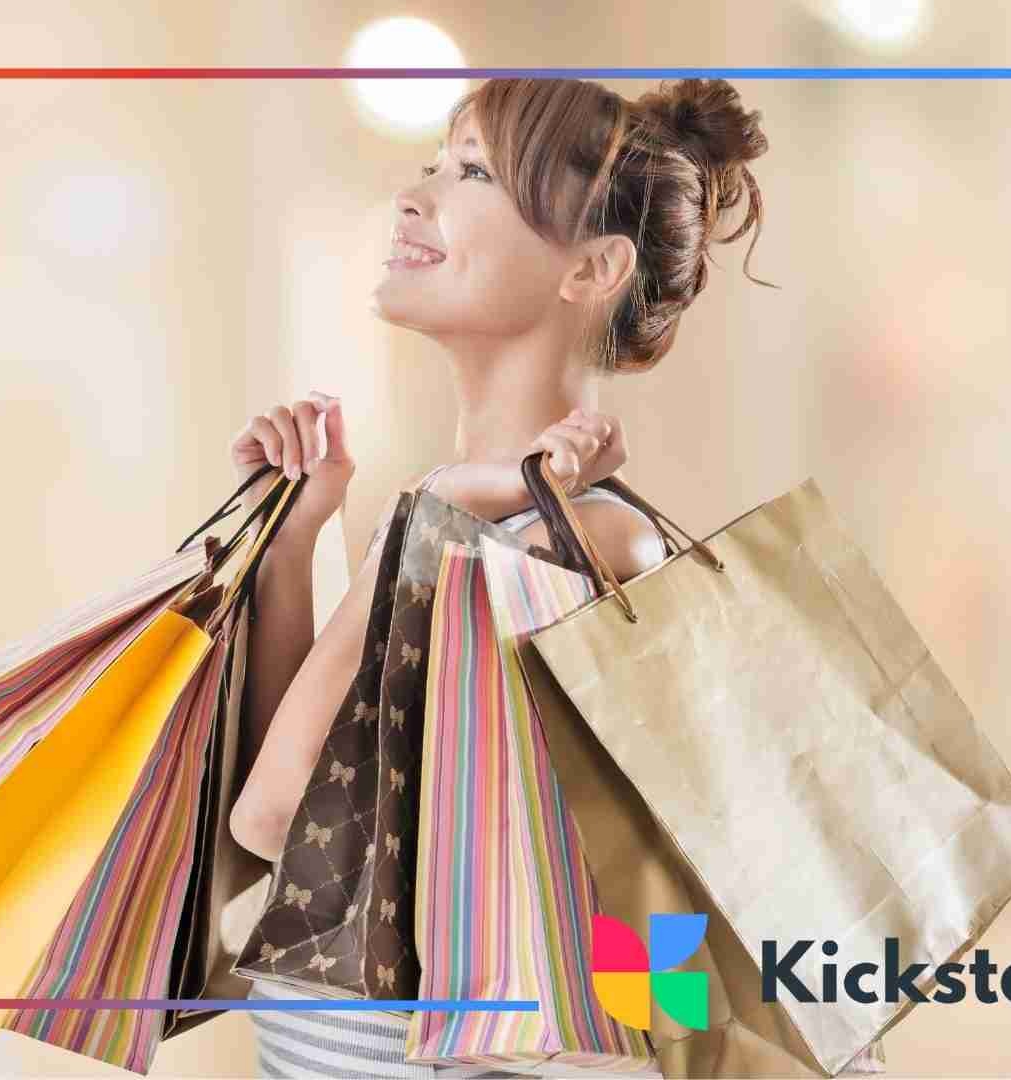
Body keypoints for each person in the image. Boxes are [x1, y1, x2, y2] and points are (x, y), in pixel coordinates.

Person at [225, 76, 772, 1078]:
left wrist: (415, 522)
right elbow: (318, 817)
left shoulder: (584, 547)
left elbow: (274, 815)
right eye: (434, 163)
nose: (415, 195)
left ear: (593, 266)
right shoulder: (463, 521)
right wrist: (300, 542)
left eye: (473, 172)